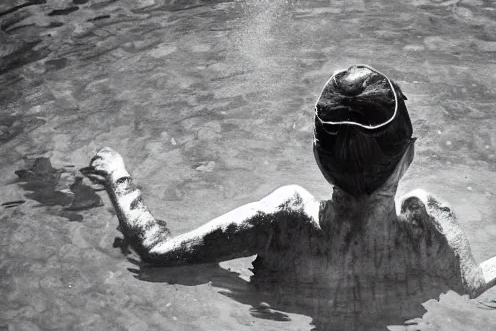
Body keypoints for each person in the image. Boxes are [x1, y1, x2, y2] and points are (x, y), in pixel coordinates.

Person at [81, 65, 496, 299]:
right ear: (410, 154)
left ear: (317, 157)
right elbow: (474, 283)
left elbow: (157, 253)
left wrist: (117, 177)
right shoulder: (427, 228)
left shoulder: (284, 222)